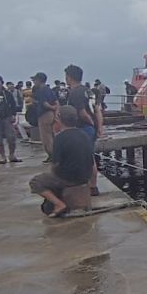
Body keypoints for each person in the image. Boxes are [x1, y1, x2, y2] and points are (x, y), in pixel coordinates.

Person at [29, 105, 95, 217]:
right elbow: (92, 161)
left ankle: (59, 204)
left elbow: (56, 163)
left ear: (59, 119)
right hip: (85, 176)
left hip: (69, 178)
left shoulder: (60, 138)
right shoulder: (84, 135)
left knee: (36, 182)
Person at [64, 64, 100, 196]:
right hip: (90, 128)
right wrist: (98, 127)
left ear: (69, 77)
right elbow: (97, 110)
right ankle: (92, 185)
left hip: (83, 128)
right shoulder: (88, 90)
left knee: (86, 159)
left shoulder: (75, 92)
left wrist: (90, 124)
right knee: (90, 157)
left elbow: (82, 113)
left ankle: (92, 186)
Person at [29, 72, 59, 163]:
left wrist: (51, 107)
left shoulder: (41, 90)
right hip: (51, 114)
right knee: (52, 135)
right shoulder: (49, 89)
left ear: (39, 80)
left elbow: (44, 104)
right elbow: (56, 102)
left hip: (44, 115)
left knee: (46, 137)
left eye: (35, 80)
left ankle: (52, 156)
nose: (34, 82)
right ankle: (55, 155)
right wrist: (55, 110)